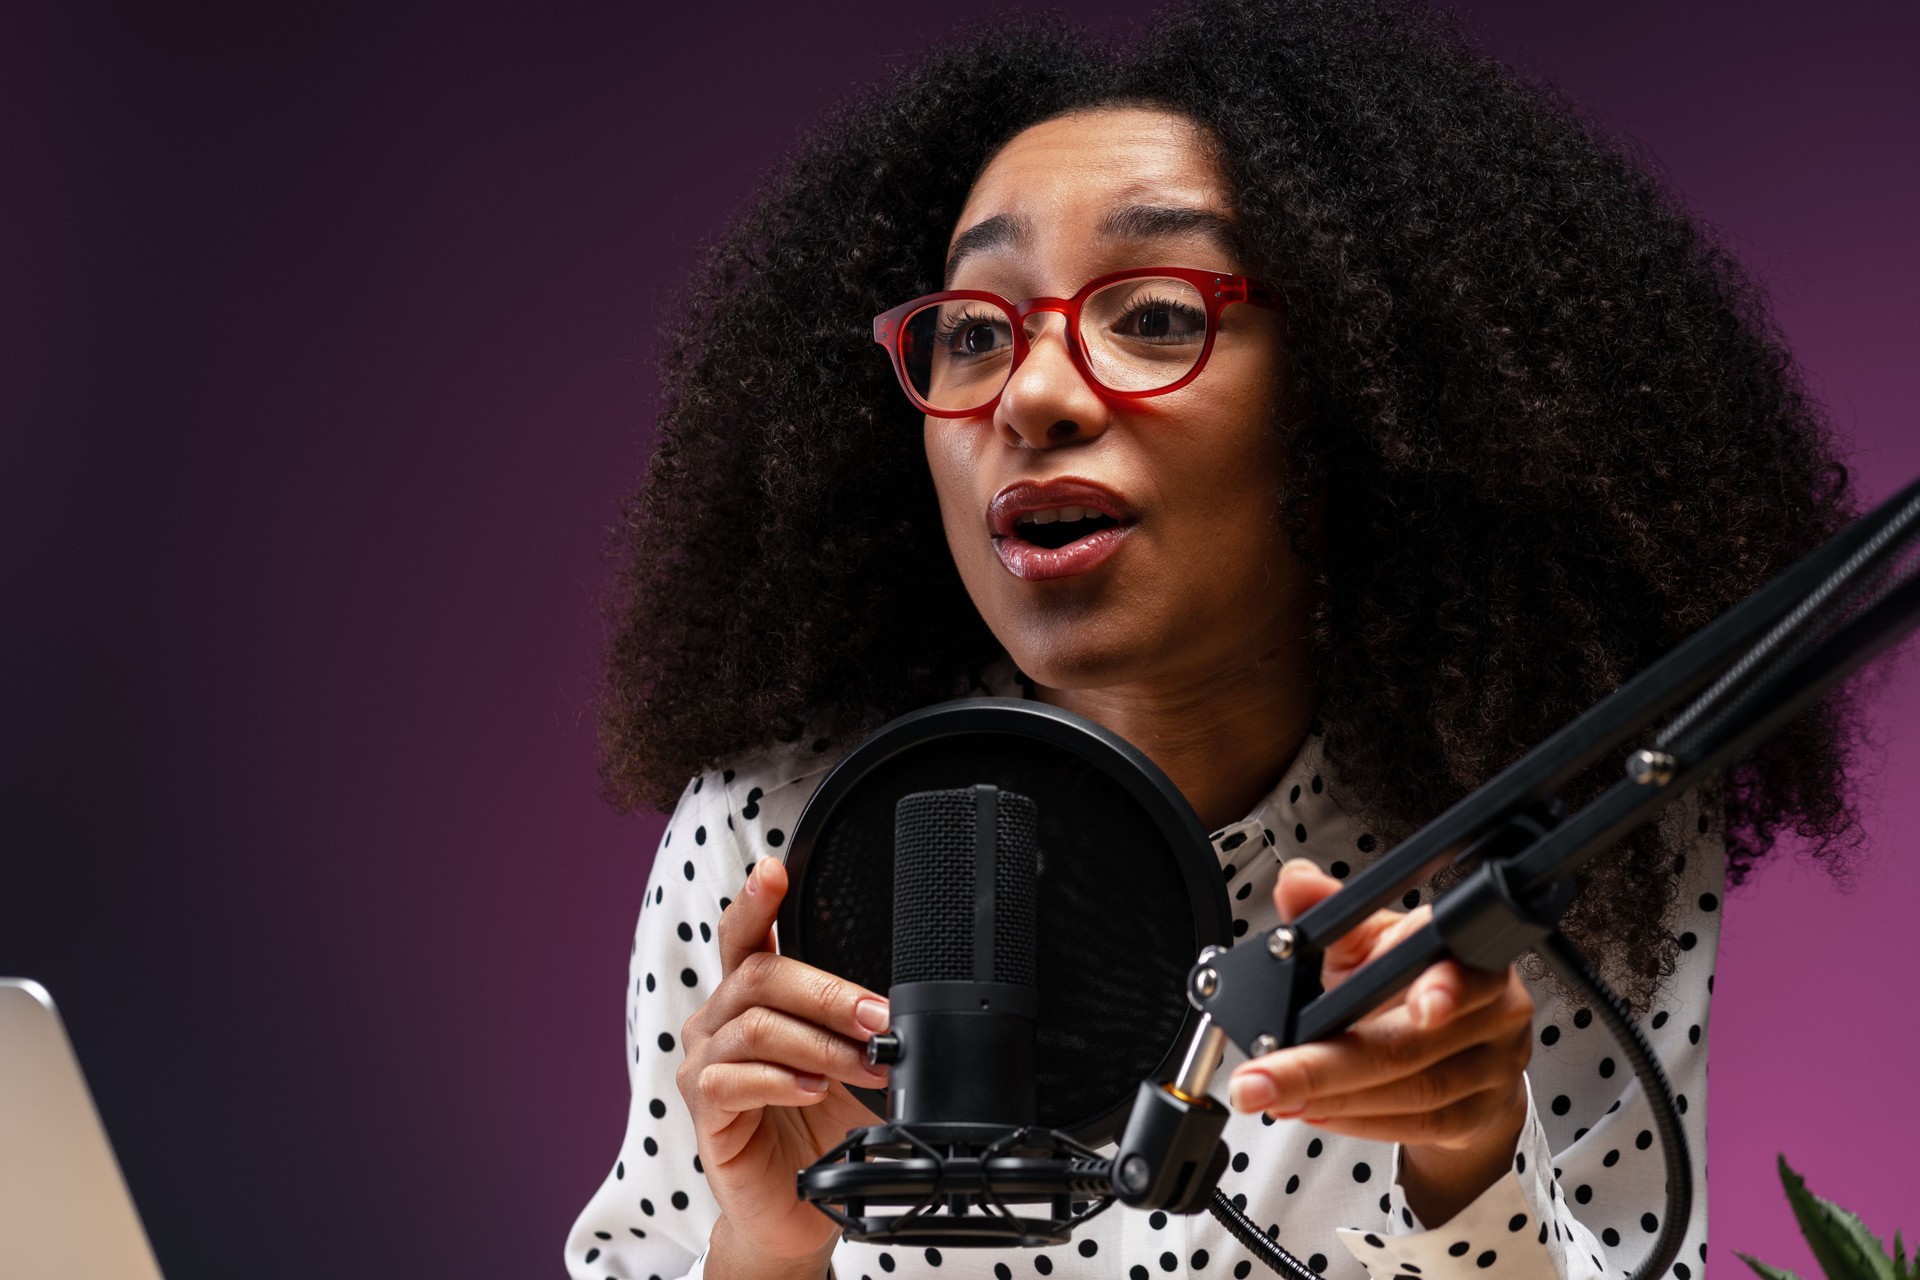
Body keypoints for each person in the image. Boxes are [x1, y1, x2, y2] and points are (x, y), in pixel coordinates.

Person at [566, 1, 1860, 1277]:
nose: (1035, 394)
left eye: (1157, 317)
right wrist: (767, 1245)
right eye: (973, 331)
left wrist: (1469, 1174)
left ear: (1362, 382)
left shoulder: (1561, 837)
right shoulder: (787, 836)